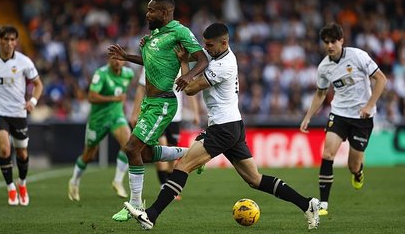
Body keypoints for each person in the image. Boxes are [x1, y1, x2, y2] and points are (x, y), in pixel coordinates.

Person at [124, 23, 320, 230]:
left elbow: (189, 89)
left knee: (182, 167)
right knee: (255, 179)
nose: (205, 49)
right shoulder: (213, 55)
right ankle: (307, 204)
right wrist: (149, 49)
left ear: (224, 43)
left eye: (209, 45)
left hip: (223, 127)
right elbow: (177, 59)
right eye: (205, 44)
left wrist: (184, 64)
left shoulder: (225, 64)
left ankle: (151, 216)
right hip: (232, 125)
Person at [107, 0, 208, 217]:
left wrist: (189, 76)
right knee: (145, 155)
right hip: (149, 102)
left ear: (164, 13)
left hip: (163, 102)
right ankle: (193, 153)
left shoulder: (179, 31)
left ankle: (135, 205)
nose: (147, 14)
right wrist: (127, 56)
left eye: (152, 10)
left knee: (131, 149)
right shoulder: (155, 34)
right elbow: (151, 61)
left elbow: (202, 58)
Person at [299, 22, 387, 216]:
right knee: (327, 154)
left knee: (352, 165)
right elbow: (321, 94)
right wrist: (308, 117)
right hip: (339, 114)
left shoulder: (358, 56)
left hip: (362, 118)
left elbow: (381, 79)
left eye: (333, 42)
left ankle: (358, 172)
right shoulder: (324, 67)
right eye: (326, 42)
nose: (329, 46)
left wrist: (369, 105)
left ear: (341, 40)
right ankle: (323, 204)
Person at [68, 55, 135, 201]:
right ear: (108, 60)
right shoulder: (101, 74)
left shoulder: (128, 74)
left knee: (129, 144)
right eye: (113, 58)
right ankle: (74, 181)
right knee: (89, 155)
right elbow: (91, 97)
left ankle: (118, 181)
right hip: (98, 119)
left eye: (119, 58)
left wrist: (121, 105)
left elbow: (122, 94)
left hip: (116, 116)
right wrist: (113, 99)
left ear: (123, 60)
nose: (117, 61)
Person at [0, 25, 43, 206]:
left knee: (21, 152)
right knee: (5, 149)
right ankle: (10, 187)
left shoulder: (24, 62)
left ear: (16, 42)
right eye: (5, 39)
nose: (9, 43)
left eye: (12, 40)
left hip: (18, 113)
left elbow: (38, 85)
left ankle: (22, 183)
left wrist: (33, 102)